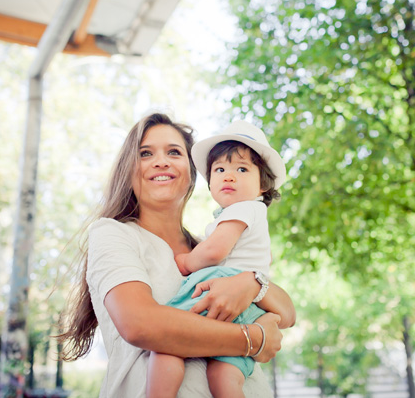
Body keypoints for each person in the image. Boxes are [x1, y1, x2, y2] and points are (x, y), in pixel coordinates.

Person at [57, 113, 295, 398]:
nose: (161, 161)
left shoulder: (208, 249)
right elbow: (140, 324)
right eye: (145, 153)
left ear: (192, 172)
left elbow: (288, 313)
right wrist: (252, 339)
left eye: (174, 152)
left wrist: (252, 283)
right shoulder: (113, 234)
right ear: (128, 169)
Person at [147, 120, 290, 398]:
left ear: (262, 185)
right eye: (220, 169)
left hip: (220, 287)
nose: (229, 176)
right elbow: (265, 259)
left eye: (242, 169)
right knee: (224, 373)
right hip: (250, 306)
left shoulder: (244, 209)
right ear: (210, 181)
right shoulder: (253, 215)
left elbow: (214, 252)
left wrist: (187, 262)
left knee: (168, 341)